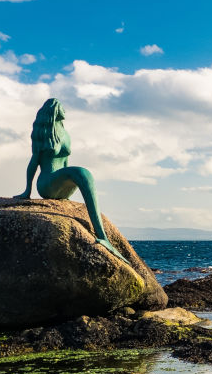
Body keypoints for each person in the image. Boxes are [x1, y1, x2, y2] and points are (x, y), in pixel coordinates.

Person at [15, 98, 128, 262]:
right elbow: (34, 162)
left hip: (61, 186)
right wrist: (27, 191)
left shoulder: (65, 134)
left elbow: (66, 162)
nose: (65, 111)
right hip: (47, 184)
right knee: (82, 172)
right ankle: (102, 236)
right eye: (62, 107)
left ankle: (103, 236)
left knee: (82, 174)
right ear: (54, 109)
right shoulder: (44, 133)